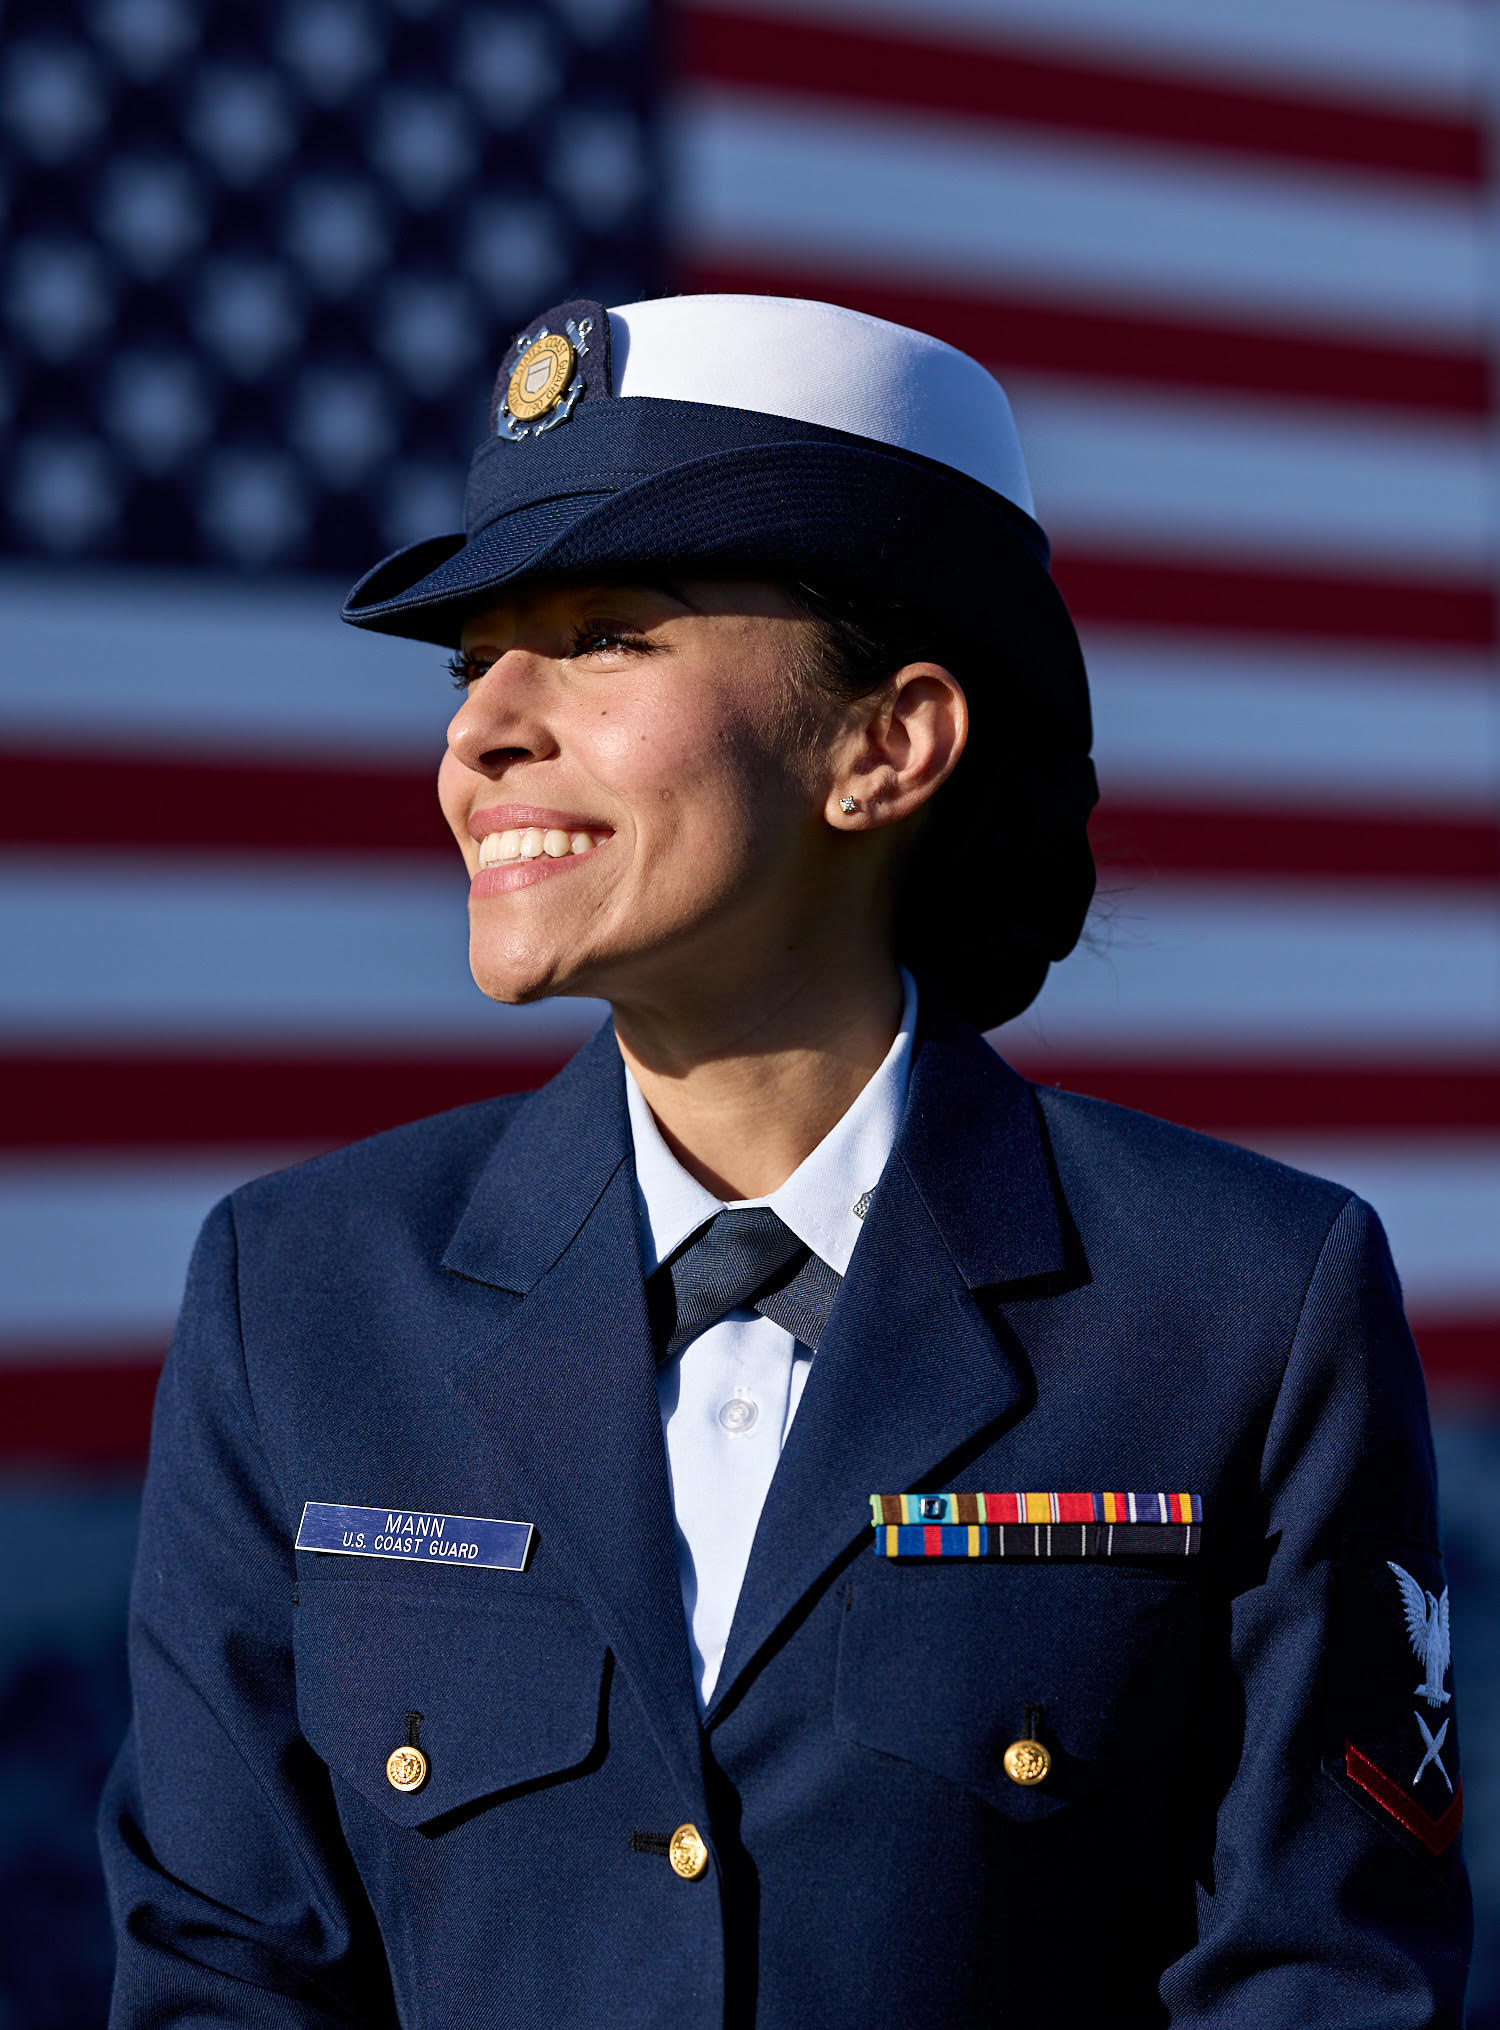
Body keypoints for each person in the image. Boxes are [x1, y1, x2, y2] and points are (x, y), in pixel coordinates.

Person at [100, 295, 1471, 2026]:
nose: (482, 727)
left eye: (603, 636)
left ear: (886, 742)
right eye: (470, 665)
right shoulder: (294, 1299)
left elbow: (1323, 1985)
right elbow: (221, 1980)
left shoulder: (1246, 1310)